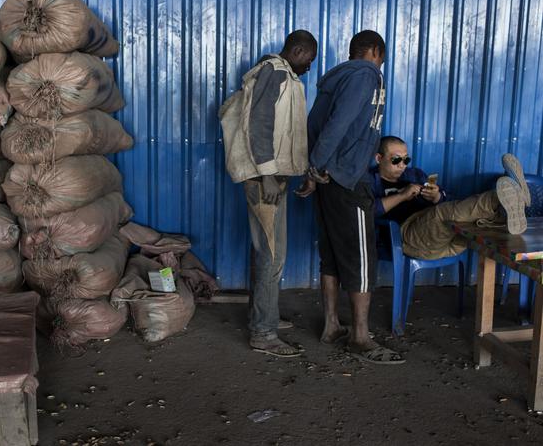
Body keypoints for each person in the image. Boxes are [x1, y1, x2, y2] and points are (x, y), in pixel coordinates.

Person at [296, 30, 403, 364]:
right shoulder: (366, 75)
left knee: (331, 254)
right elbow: (338, 125)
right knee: (361, 259)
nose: (381, 64)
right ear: (374, 51)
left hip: (328, 177)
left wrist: (315, 170)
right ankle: (359, 336)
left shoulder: (337, 79)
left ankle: (331, 326)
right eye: (381, 57)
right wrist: (320, 167)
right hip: (345, 178)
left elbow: (314, 124)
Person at [219, 30, 317, 357]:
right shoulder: (274, 72)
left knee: (266, 249)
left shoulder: (281, 73)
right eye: (309, 60)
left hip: (274, 176)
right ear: (299, 50)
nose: (309, 67)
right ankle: (263, 331)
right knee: (272, 254)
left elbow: (283, 131)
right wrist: (269, 174)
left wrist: (293, 172)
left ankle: (264, 314)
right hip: (266, 180)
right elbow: (258, 124)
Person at [371, 135, 529, 260]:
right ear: (379, 158)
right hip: (408, 239)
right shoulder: (368, 181)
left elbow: (455, 203)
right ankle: (500, 198)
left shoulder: (415, 174)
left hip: (447, 240)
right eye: (396, 159)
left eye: (406, 159)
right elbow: (367, 211)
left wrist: (437, 196)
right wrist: (402, 195)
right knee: (443, 213)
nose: (402, 165)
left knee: (477, 226)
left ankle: (505, 213)